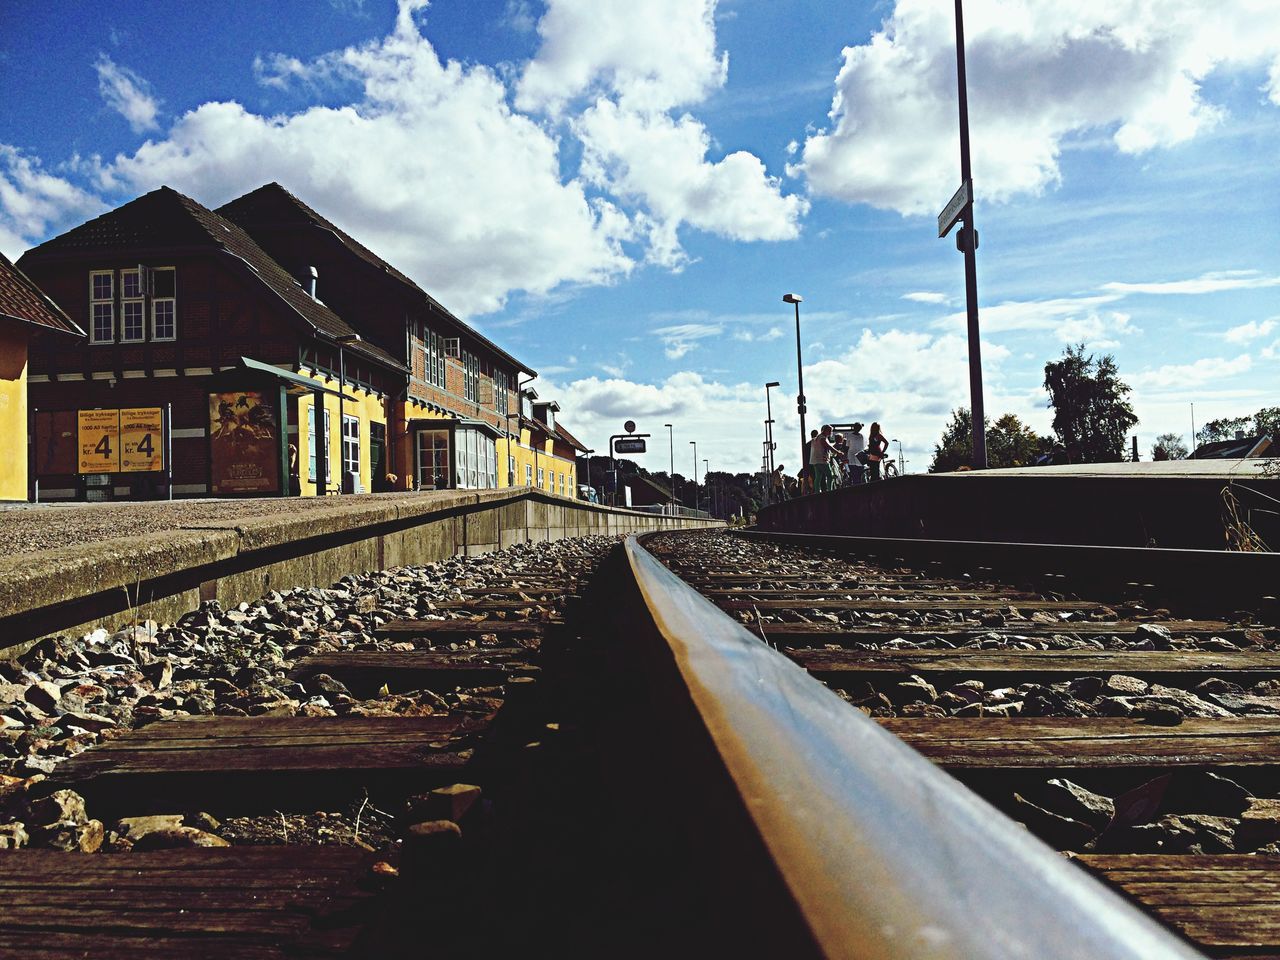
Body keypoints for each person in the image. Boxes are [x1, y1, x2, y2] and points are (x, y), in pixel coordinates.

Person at [809, 425, 839, 493]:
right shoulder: (822, 438)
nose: (830, 432)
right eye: (830, 431)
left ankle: (817, 492)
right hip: (822, 460)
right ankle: (830, 490)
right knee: (830, 476)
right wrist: (838, 452)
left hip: (815, 461)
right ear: (825, 430)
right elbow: (827, 446)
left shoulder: (817, 438)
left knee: (818, 477)